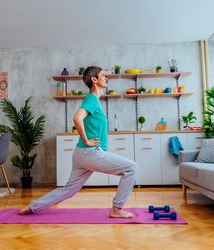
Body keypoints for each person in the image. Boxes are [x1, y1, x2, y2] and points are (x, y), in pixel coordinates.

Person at [19, 66, 138, 218]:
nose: (106, 78)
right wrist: (87, 140)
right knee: (132, 168)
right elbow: (77, 118)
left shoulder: (94, 100)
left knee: (68, 190)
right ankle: (116, 209)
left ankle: (33, 207)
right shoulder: (92, 99)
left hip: (82, 154)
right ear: (94, 80)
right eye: (103, 75)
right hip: (90, 153)